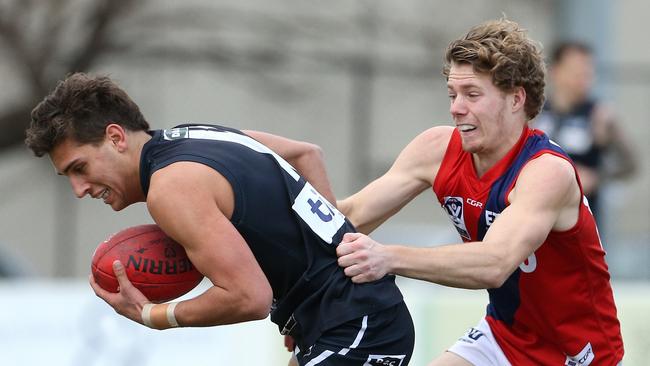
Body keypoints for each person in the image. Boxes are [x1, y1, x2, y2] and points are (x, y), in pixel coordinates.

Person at [25, 73, 414, 365]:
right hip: (348, 318)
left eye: (80, 167)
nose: (79, 189)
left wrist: (153, 315)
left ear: (115, 137)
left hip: (357, 325)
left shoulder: (169, 188)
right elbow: (305, 154)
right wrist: (325, 261)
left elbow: (249, 298)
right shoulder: (197, 135)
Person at [336, 19, 624, 365]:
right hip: (503, 336)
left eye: (472, 95)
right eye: (453, 94)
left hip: (577, 354)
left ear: (517, 98)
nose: (456, 108)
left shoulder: (547, 172)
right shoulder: (436, 148)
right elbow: (350, 215)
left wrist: (386, 257)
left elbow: (494, 263)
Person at [533, 41, 637, 224]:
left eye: (588, 71)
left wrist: (595, 177)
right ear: (556, 71)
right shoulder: (536, 113)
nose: (584, 77)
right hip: (538, 216)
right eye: (576, 70)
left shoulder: (601, 115)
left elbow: (630, 164)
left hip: (582, 222)